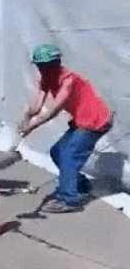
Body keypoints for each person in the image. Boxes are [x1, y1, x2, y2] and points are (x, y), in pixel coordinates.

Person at [18, 44, 113, 213]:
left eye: (47, 66)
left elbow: (53, 110)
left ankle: (69, 199)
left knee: (69, 155)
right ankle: (80, 185)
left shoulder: (68, 80)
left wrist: (31, 127)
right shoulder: (45, 78)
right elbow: (37, 107)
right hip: (81, 120)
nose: (43, 69)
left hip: (95, 121)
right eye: (40, 66)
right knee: (57, 152)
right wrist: (26, 118)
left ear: (57, 63)